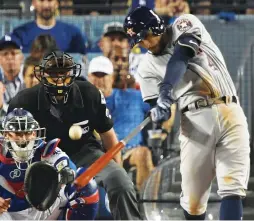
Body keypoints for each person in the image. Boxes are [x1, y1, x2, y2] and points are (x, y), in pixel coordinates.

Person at [124, 6, 250, 220]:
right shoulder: (145, 68)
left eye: (145, 36)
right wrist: (159, 112)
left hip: (230, 109)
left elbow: (181, 57)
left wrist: (165, 90)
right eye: (139, 41)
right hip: (194, 119)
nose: (144, 43)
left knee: (233, 188)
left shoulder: (184, 23)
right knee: (193, 201)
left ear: (156, 27)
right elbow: (159, 109)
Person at [7, 50, 141, 220]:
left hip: (85, 153)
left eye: (64, 73)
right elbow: (9, 143)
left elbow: (109, 139)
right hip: (41, 159)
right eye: (54, 73)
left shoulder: (90, 94)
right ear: (43, 75)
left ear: (73, 73)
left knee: (121, 182)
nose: (59, 78)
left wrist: (116, 175)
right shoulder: (24, 101)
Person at [0, 108, 99, 220]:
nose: (23, 139)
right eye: (18, 133)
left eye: (27, 133)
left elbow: (66, 165)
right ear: (6, 134)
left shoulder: (45, 149)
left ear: (34, 133)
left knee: (85, 182)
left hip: (42, 211)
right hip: (7, 213)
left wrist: (65, 173)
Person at [88, 55, 154, 191]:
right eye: (95, 75)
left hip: (130, 150)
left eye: (103, 75)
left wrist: (166, 124)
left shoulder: (134, 97)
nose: (99, 80)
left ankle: (146, 206)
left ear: (111, 77)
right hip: (97, 153)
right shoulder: (81, 102)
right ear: (89, 77)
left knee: (143, 154)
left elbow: (163, 104)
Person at [10, 0, 87, 54]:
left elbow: (82, 61)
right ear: (34, 3)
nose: (46, 5)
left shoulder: (73, 33)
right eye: (41, 0)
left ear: (57, 3)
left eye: (50, 0)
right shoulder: (20, 33)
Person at [0, 35, 25, 111]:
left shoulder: (32, 76)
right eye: (5, 54)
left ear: (21, 57)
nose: (9, 57)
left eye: (14, 53)